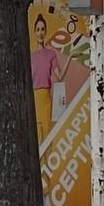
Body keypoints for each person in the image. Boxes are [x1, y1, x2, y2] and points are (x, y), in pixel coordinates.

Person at [30, 14, 69, 142]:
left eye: (42, 29)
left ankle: (46, 162)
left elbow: (60, 76)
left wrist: (70, 58)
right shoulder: (30, 56)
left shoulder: (50, 54)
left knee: (46, 136)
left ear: (45, 31)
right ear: (34, 32)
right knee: (34, 136)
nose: (40, 32)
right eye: (38, 30)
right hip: (32, 100)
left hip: (45, 99)